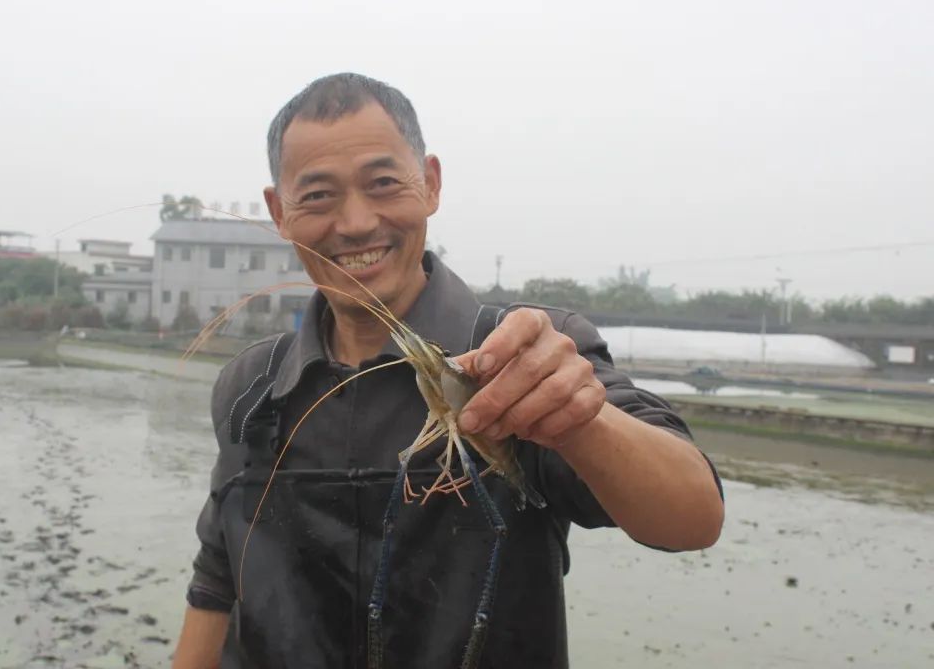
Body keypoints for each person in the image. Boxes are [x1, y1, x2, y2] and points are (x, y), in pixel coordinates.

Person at [172, 73, 724, 669]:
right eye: (318, 196)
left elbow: (693, 518)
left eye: (383, 183)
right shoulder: (250, 387)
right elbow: (218, 576)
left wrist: (577, 418)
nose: (356, 223)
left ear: (430, 184)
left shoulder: (531, 350)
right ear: (279, 212)